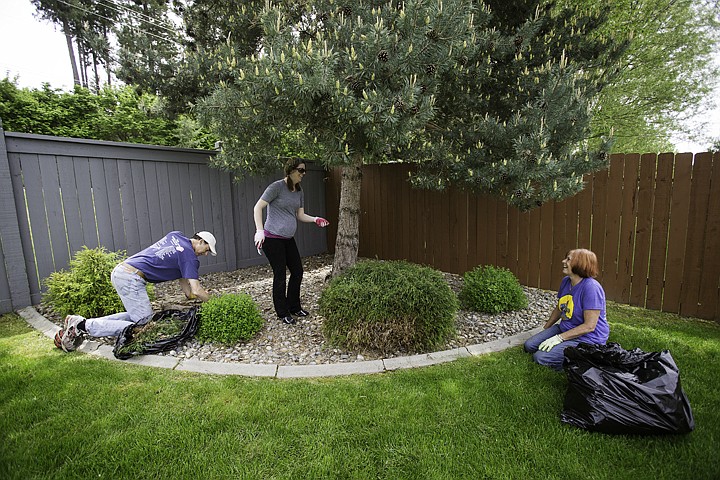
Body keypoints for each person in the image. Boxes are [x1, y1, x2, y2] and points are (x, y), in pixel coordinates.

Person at [54, 231, 217, 352]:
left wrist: (196, 296)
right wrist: (214, 301)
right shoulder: (190, 257)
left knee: (136, 317)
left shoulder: (177, 236)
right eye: (207, 249)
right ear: (201, 241)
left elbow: (189, 293)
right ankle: (82, 325)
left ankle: (82, 323)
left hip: (123, 271)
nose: (206, 254)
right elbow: (196, 289)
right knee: (145, 326)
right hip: (131, 278)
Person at [253, 158, 330, 325]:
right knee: (280, 275)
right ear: (290, 170)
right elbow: (258, 207)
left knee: (298, 272)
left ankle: (294, 307)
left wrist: (315, 219)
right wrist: (259, 231)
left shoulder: (299, 191)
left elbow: (300, 215)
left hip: (288, 239)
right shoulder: (276, 187)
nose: (303, 174)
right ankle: (282, 312)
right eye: (301, 170)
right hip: (272, 239)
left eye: (304, 171)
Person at [524, 248, 609, 371]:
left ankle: (585, 361)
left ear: (580, 263)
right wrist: (545, 329)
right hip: (566, 328)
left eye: (568, 259)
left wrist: (559, 338)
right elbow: (560, 308)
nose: (563, 261)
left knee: (540, 358)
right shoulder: (566, 281)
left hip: (588, 338)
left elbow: (589, 326)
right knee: (529, 345)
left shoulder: (591, 288)